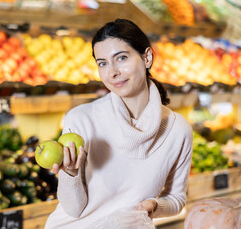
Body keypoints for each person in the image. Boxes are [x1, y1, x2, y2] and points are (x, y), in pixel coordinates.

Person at [44, 19, 193, 228]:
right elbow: (73, 209)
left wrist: (153, 205)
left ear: (147, 57)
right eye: (102, 63)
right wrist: (70, 174)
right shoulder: (81, 119)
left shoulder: (178, 130)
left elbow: (177, 199)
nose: (112, 72)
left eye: (121, 58)